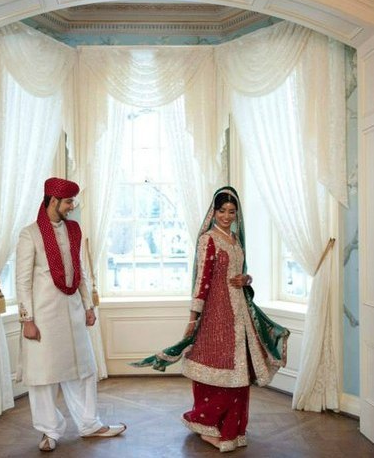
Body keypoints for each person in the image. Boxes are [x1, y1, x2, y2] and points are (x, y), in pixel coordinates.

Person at [132, 186, 289, 453]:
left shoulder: (236, 240)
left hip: (239, 314)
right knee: (216, 368)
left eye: (232, 212)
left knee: (239, 372)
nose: (227, 216)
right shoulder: (209, 239)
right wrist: (193, 319)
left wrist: (247, 279)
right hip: (216, 315)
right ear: (213, 212)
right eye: (222, 211)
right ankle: (207, 426)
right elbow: (202, 281)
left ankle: (232, 429)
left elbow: (241, 273)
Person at [16, 177, 126, 452]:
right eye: (68, 202)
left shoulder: (74, 230)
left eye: (72, 202)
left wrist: (88, 306)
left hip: (73, 310)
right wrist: (27, 319)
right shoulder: (30, 234)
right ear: (53, 200)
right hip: (44, 316)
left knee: (84, 370)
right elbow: (22, 281)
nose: (71, 207)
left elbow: (81, 270)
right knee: (43, 377)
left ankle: (90, 425)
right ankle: (49, 431)